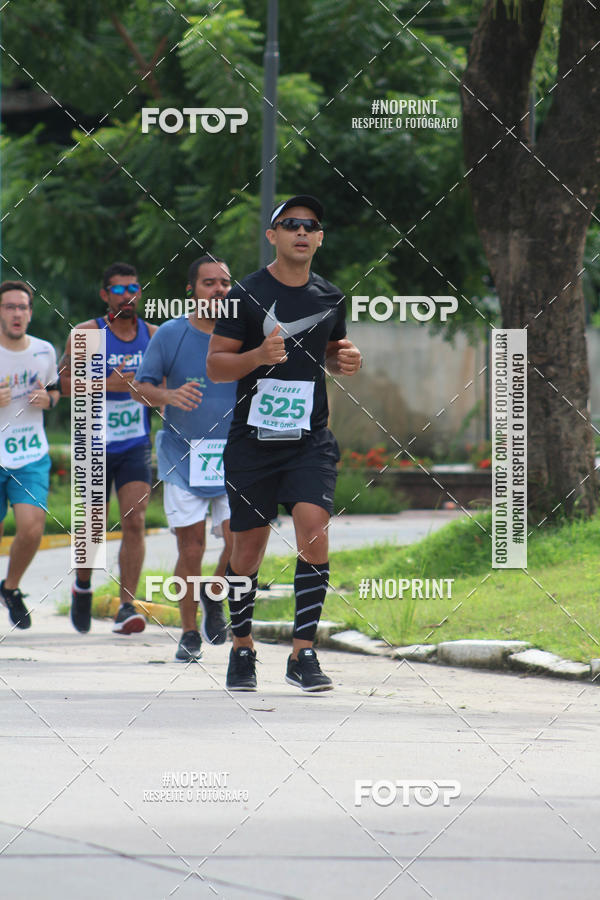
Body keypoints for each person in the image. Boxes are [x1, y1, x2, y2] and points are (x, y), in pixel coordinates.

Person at [207, 195, 362, 692]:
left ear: (319, 238)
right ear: (272, 235)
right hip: (252, 442)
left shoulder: (330, 297)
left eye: (311, 225)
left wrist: (346, 357)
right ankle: (243, 646)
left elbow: (331, 350)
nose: (301, 231)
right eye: (290, 224)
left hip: (309, 439)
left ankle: (303, 652)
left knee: (314, 528)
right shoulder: (245, 295)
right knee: (247, 552)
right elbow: (216, 364)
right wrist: (257, 355)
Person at [132, 256, 236, 661]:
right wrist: (169, 396)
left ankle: (216, 592)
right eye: (209, 283)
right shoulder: (172, 333)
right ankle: (189, 632)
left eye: (225, 283)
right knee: (190, 548)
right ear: (192, 289)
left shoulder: (244, 333)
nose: (218, 290)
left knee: (240, 541)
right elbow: (141, 388)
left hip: (234, 455)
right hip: (182, 454)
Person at [59, 262, 157, 635]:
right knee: (92, 528)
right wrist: (108, 385)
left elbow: (162, 385)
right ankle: (82, 585)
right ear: (105, 295)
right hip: (92, 441)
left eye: (133, 288)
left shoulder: (153, 334)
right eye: (118, 289)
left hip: (134, 442)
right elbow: (63, 386)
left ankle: (126, 605)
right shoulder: (86, 333)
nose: (127, 295)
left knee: (135, 520)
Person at [0, 281, 60, 630]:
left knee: (31, 528)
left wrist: (49, 400)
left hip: (29, 452)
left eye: (22, 307)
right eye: (9, 307)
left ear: (30, 312)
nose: (17, 313)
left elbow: (53, 392)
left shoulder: (44, 351)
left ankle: (9, 588)